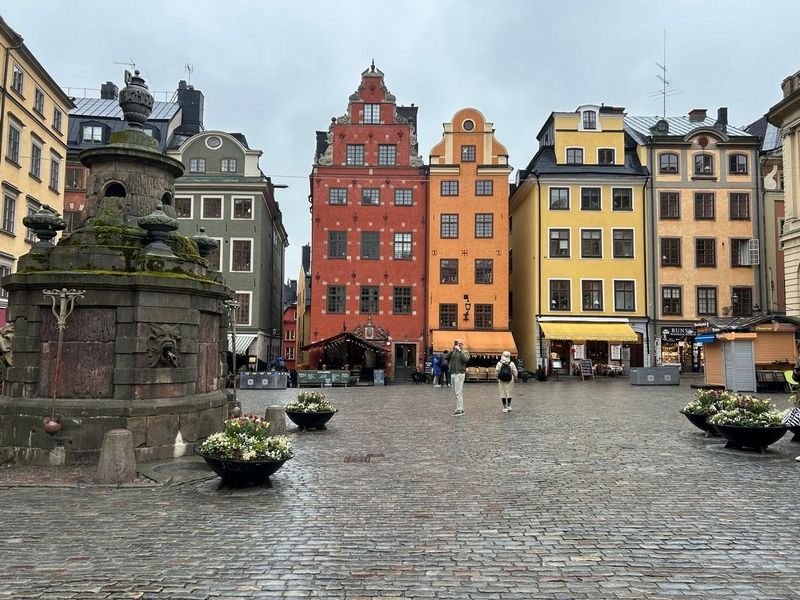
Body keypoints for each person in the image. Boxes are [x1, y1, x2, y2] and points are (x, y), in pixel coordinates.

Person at [444, 339, 470, 416]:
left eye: (458, 344)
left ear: (461, 344)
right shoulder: (453, 352)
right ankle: (460, 409)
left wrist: (459, 351)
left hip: (459, 373)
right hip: (453, 373)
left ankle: (459, 410)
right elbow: (445, 357)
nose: (456, 345)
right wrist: (452, 350)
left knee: (458, 392)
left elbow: (466, 359)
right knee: (456, 392)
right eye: (456, 343)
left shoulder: (464, 351)